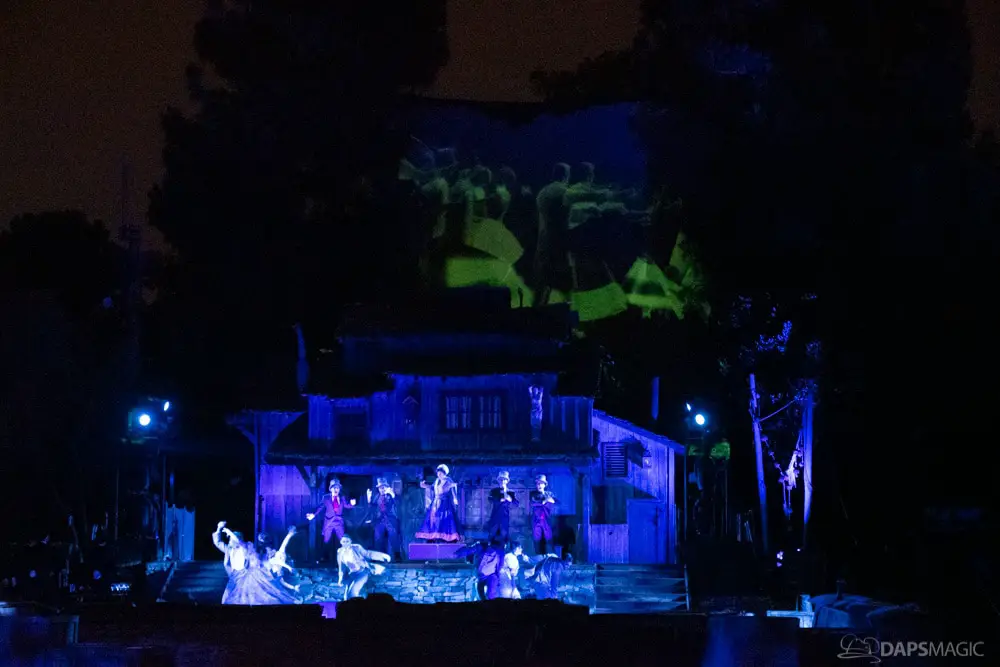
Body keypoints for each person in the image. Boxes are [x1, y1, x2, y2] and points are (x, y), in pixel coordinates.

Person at [213, 522, 300, 605]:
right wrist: (218, 529)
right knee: (227, 598)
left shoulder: (246, 547)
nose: (230, 541)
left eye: (232, 539)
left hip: (245, 575)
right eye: (230, 540)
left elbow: (239, 542)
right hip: (234, 575)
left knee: (250, 597)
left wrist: (229, 532)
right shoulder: (228, 549)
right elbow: (218, 542)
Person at [415, 464, 461, 542]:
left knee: (444, 519)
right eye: (438, 472)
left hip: (444, 503)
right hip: (435, 502)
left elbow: (453, 487)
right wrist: (425, 486)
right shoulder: (437, 480)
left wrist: (455, 498)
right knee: (433, 518)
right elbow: (432, 488)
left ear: (444, 473)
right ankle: (434, 536)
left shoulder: (448, 480)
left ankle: (445, 537)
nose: (439, 474)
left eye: (440, 472)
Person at [337, 535, 391, 601]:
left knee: (352, 593)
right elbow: (341, 567)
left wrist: (382, 556)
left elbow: (368, 554)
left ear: (350, 541)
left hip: (362, 572)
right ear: (340, 542)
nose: (345, 543)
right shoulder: (340, 552)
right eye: (344, 541)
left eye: (347, 541)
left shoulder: (356, 547)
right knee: (346, 597)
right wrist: (340, 578)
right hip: (352, 574)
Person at [306, 478, 346, 562]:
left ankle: (344, 558)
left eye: (337, 488)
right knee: (326, 540)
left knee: (343, 540)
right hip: (329, 522)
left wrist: (352, 504)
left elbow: (347, 505)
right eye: (334, 488)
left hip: (339, 522)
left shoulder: (342, 497)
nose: (336, 490)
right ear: (330, 489)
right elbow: (320, 507)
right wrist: (313, 514)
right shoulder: (326, 497)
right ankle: (323, 558)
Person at [365, 478, 401, 560]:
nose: (382, 489)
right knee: (378, 538)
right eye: (380, 488)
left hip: (390, 520)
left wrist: (393, 495)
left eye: (384, 487)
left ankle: (397, 557)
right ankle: (380, 557)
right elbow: (372, 507)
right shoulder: (377, 496)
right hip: (380, 520)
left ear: (387, 488)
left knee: (394, 538)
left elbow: (398, 504)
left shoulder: (391, 496)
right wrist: (369, 500)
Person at [485, 471, 518, 546]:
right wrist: (499, 499)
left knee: (504, 537)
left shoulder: (511, 492)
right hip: (495, 518)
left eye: (504, 479)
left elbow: (515, 504)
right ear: (498, 480)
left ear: (507, 481)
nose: (502, 481)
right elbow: (490, 500)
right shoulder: (494, 491)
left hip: (505, 519)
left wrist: (510, 500)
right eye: (501, 479)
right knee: (491, 536)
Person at [529, 475, 558, 555]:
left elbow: (556, 502)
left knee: (548, 539)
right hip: (537, 520)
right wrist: (545, 501)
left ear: (545, 485)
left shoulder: (550, 494)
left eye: (541, 483)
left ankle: (550, 557)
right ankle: (539, 557)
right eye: (538, 483)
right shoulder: (533, 494)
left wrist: (550, 500)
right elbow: (533, 503)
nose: (539, 485)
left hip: (547, 520)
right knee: (537, 540)